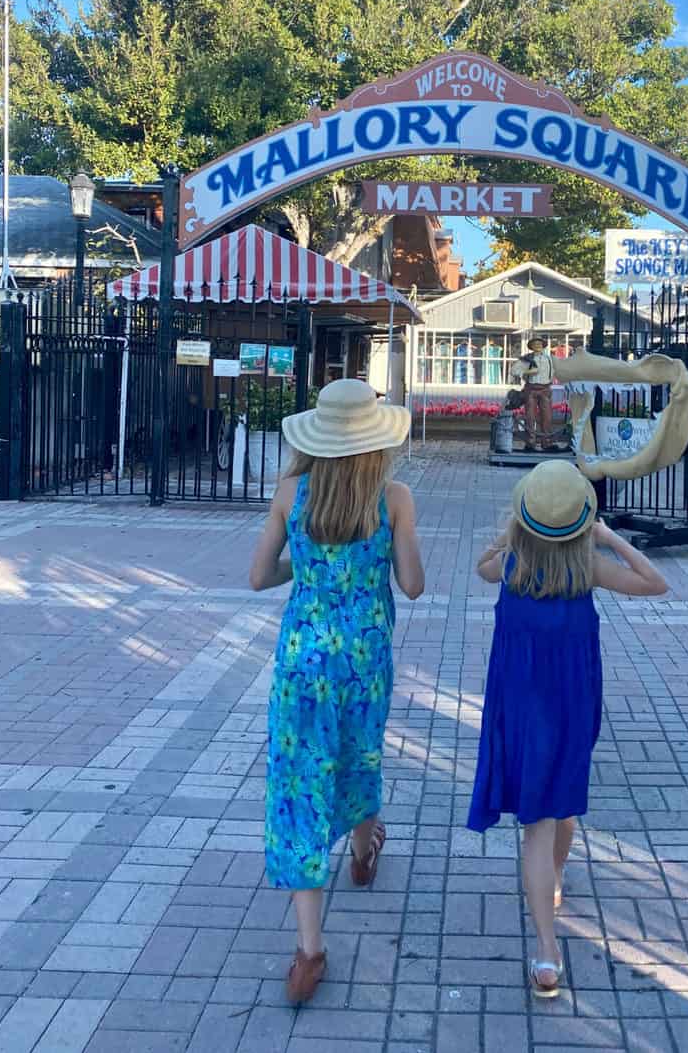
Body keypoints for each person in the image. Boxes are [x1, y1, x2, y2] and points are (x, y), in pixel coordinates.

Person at [248, 378, 424, 1006]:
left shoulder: (290, 493)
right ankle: (362, 847)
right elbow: (412, 585)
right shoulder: (393, 498)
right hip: (363, 658)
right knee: (359, 753)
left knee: (299, 782)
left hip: (302, 659)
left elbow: (258, 576)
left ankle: (309, 950)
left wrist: (308, 559)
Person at [467, 460, 667, 997]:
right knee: (560, 806)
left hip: (521, 706)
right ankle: (548, 937)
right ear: (582, 521)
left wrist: (512, 531)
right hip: (574, 704)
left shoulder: (510, 563)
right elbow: (656, 582)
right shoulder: (589, 567)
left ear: (525, 517)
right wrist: (608, 537)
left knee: (545, 815)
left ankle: (547, 944)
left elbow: (481, 565)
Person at [509, 335, 553, 451]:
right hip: (531, 389)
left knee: (547, 416)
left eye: (539, 344)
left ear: (543, 346)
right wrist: (528, 372)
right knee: (530, 416)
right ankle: (530, 443)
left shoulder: (549, 358)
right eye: (535, 344)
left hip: (545, 389)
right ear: (531, 347)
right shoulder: (527, 359)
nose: (538, 346)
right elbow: (513, 371)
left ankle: (546, 442)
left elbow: (554, 372)